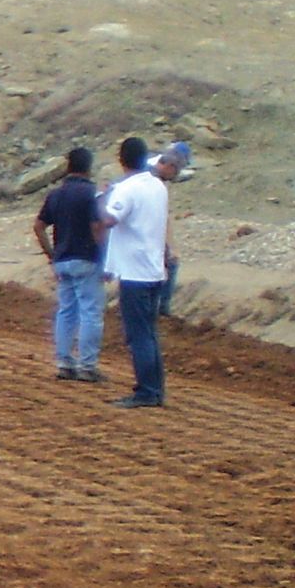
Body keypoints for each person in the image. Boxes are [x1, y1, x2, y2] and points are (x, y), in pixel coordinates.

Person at [100, 136, 171, 408]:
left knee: (138, 334)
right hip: (153, 269)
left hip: (134, 272)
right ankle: (155, 388)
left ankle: (147, 391)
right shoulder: (158, 186)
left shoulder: (126, 189)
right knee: (149, 332)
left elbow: (109, 220)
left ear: (121, 160)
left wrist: (102, 198)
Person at [32, 145, 104, 381]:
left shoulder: (55, 195)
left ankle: (64, 362)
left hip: (62, 261)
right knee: (90, 312)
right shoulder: (91, 194)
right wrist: (104, 256)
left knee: (66, 312)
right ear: (89, 167)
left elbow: (39, 226)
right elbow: (96, 227)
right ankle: (87, 366)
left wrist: (51, 255)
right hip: (86, 259)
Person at [149, 141, 190, 317]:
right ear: (172, 164)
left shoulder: (150, 173)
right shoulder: (153, 181)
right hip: (143, 236)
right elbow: (160, 216)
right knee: (170, 264)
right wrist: (170, 247)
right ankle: (160, 310)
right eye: (178, 169)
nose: (178, 174)